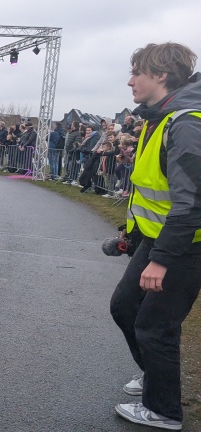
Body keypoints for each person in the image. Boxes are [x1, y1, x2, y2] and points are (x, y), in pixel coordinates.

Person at [109, 42, 201, 431]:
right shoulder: (158, 118)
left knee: (155, 326)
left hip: (185, 246)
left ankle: (163, 410)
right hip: (156, 238)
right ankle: (156, 377)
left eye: (137, 73)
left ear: (161, 75)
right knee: (124, 307)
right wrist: (130, 237)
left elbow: (192, 203)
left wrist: (161, 259)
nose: (130, 81)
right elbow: (152, 190)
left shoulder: (186, 122)